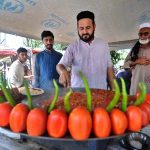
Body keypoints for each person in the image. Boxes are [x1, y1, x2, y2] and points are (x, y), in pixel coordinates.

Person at [57, 11, 115, 90]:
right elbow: (60, 65)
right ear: (77, 28)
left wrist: (114, 90)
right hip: (78, 93)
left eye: (88, 28)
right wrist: (62, 71)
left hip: (101, 92)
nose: (84, 32)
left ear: (94, 26)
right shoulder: (73, 46)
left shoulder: (103, 44)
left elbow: (109, 68)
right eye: (81, 28)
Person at [124, 22, 150, 95]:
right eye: (140, 34)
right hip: (136, 86)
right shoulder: (135, 50)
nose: (143, 36)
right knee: (135, 105)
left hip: (148, 86)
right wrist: (137, 61)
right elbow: (125, 65)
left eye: (146, 33)